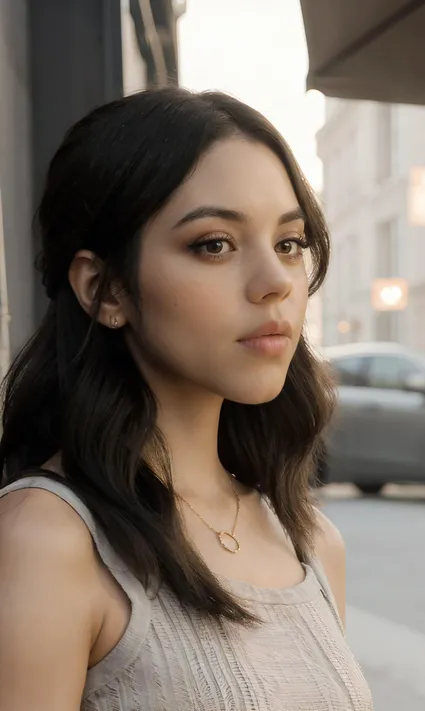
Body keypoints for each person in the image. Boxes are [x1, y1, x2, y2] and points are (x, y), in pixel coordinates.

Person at [0, 87, 373, 711]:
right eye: (214, 244)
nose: (276, 283)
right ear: (104, 289)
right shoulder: (47, 541)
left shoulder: (309, 540)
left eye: (289, 243)